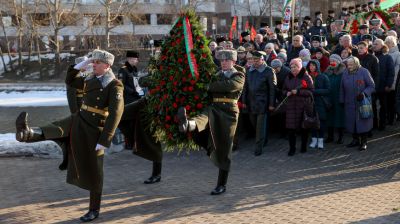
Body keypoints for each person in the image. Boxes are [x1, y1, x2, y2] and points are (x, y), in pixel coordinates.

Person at [15, 49, 124, 222]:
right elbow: (70, 80)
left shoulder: (114, 85)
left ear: (107, 65)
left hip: (95, 128)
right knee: (57, 127)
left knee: (95, 170)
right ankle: (27, 133)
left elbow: (116, 113)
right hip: (79, 119)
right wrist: (83, 64)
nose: (93, 64)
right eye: (93, 62)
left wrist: (105, 140)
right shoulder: (90, 79)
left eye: (96, 62)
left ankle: (94, 210)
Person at [177, 50, 245, 195]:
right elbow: (206, 88)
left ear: (233, 61)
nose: (224, 63)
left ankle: (222, 184)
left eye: (227, 60)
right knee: (202, 118)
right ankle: (188, 124)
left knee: (225, 148)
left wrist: (209, 86)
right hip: (214, 107)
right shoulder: (216, 75)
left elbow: (229, 86)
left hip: (229, 112)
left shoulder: (239, 75)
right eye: (222, 60)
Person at [242, 51, 276, 156]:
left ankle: (258, 147)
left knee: (260, 127)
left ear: (262, 59)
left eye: (257, 60)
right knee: (254, 124)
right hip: (251, 102)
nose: (255, 62)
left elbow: (272, 89)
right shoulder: (249, 70)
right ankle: (263, 139)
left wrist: (271, 104)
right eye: (253, 60)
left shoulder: (269, 71)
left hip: (263, 103)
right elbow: (245, 87)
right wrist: (243, 101)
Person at [340, 56, 375, 151]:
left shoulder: (364, 71)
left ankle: (364, 142)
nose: (349, 66)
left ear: (356, 63)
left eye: (351, 64)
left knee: (363, 122)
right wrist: (342, 100)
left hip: (362, 102)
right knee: (352, 122)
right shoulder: (345, 72)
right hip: (349, 102)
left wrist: (364, 94)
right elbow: (342, 88)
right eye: (348, 64)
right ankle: (355, 140)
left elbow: (372, 86)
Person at [283, 58, 314, 156]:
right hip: (291, 106)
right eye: (291, 67)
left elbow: (311, 92)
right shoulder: (288, 77)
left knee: (304, 128)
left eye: (295, 66)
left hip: (303, 106)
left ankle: (303, 146)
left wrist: (299, 92)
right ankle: (292, 148)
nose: (293, 69)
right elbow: (283, 89)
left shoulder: (306, 77)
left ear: (300, 67)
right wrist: (286, 92)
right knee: (291, 129)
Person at [306, 60, 330, 149]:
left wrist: (315, 91)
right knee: (312, 121)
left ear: (317, 66)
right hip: (310, 102)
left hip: (321, 102)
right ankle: (314, 139)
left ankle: (320, 139)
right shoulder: (307, 76)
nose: (311, 67)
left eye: (313, 65)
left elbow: (328, 90)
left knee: (321, 121)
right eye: (310, 66)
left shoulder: (323, 76)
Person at [372, 39, 395, 130]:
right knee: (373, 106)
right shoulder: (371, 56)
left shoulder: (387, 57)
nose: (374, 45)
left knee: (383, 106)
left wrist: (388, 85)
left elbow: (391, 72)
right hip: (373, 86)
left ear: (382, 46)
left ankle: (382, 124)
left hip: (383, 85)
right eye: (373, 44)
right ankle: (374, 124)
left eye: (376, 44)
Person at [357, 41, 379, 129]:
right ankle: (363, 126)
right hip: (359, 87)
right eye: (358, 48)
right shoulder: (356, 59)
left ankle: (373, 126)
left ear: (366, 48)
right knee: (361, 107)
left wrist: (374, 88)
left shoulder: (373, 58)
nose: (359, 50)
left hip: (369, 87)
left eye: (361, 48)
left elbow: (376, 75)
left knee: (371, 107)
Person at [326, 54, 346, 144]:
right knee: (330, 117)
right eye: (331, 61)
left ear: (338, 62)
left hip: (339, 98)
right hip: (330, 98)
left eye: (334, 61)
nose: (332, 63)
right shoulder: (327, 71)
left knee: (340, 118)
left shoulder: (343, 72)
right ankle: (330, 136)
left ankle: (340, 137)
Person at [385, 36, 400, 124]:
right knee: (387, 102)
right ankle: (389, 118)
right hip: (386, 81)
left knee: (393, 101)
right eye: (386, 42)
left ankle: (393, 118)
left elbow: (397, 71)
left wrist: (393, 84)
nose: (387, 44)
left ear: (393, 43)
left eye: (389, 42)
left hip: (393, 83)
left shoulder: (398, 54)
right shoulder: (385, 53)